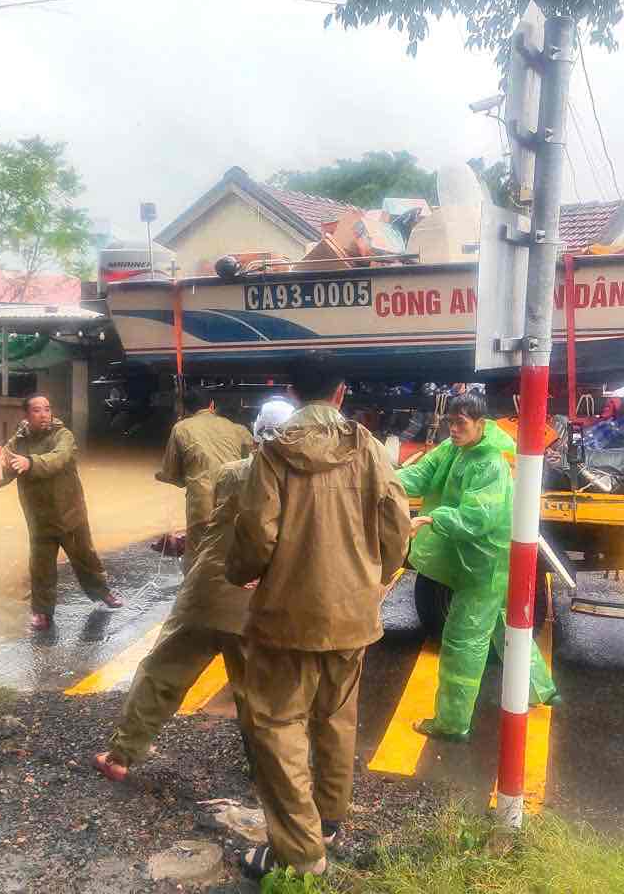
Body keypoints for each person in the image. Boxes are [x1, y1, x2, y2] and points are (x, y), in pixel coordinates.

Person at [228, 361, 410, 881]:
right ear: (340, 392)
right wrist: (377, 576)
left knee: (277, 725)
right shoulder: (370, 448)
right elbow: (397, 527)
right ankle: (329, 818)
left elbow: (256, 537)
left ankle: (300, 854)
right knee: (336, 716)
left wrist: (238, 572)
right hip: (353, 614)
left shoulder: (273, 452)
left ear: (290, 391)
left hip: (286, 616)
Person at [93, 398, 296, 782]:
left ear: (256, 433)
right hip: (258, 603)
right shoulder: (302, 487)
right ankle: (268, 773)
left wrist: (186, 540)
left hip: (205, 594)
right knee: (260, 698)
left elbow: (218, 525)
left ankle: (121, 755)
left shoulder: (230, 474)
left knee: (161, 673)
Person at [396, 392, 557, 744]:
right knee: (504, 623)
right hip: (478, 558)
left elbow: (477, 518)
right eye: (451, 422)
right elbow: (423, 474)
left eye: (461, 424)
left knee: (462, 640)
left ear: (480, 424)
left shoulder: (491, 461)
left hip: (485, 561)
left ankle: (451, 723)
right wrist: (385, 481)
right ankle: (540, 687)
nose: (453, 429)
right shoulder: (456, 447)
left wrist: (430, 518)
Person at [1, 394, 122, 631]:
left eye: (47, 409)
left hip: (70, 514)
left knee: (85, 558)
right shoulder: (17, 443)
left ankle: (103, 593)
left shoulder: (63, 436)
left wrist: (30, 463)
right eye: (37, 410)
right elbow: (2, 469)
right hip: (38, 518)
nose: (44, 414)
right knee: (41, 567)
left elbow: (59, 458)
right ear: (26, 415)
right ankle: (42, 612)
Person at [157, 388, 254, 575]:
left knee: (198, 557)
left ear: (183, 408)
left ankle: (196, 598)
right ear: (211, 405)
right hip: (235, 498)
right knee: (229, 549)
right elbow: (251, 464)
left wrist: (161, 476)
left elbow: (172, 475)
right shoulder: (236, 428)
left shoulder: (181, 428)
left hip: (202, 501)